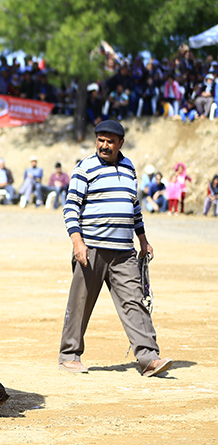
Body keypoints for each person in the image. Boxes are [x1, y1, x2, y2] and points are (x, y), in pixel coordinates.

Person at [59, 119, 171, 378]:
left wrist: (143, 239)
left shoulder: (129, 166)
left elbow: (134, 208)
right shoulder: (84, 168)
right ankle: (69, 355)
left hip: (124, 252)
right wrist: (78, 242)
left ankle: (148, 358)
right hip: (92, 249)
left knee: (135, 303)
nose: (104, 145)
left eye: (110, 141)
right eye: (101, 140)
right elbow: (70, 207)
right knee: (80, 303)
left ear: (121, 143)